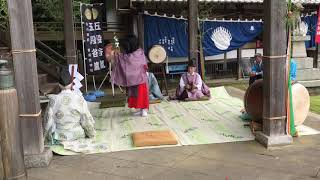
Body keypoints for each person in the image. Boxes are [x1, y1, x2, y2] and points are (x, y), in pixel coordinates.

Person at [43, 68, 96, 145]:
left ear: (59, 85)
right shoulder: (79, 99)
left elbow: (48, 120)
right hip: (77, 135)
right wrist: (91, 134)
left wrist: (47, 136)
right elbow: (86, 119)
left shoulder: (53, 99)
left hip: (59, 136)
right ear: (71, 84)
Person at [106, 35, 149, 117]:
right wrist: (115, 54)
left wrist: (116, 55)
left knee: (141, 94)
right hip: (133, 79)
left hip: (140, 78)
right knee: (135, 94)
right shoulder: (131, 54)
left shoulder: (139, 52)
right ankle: (140, 109)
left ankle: (144, 109)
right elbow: (125, 58)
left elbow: (127, 60)